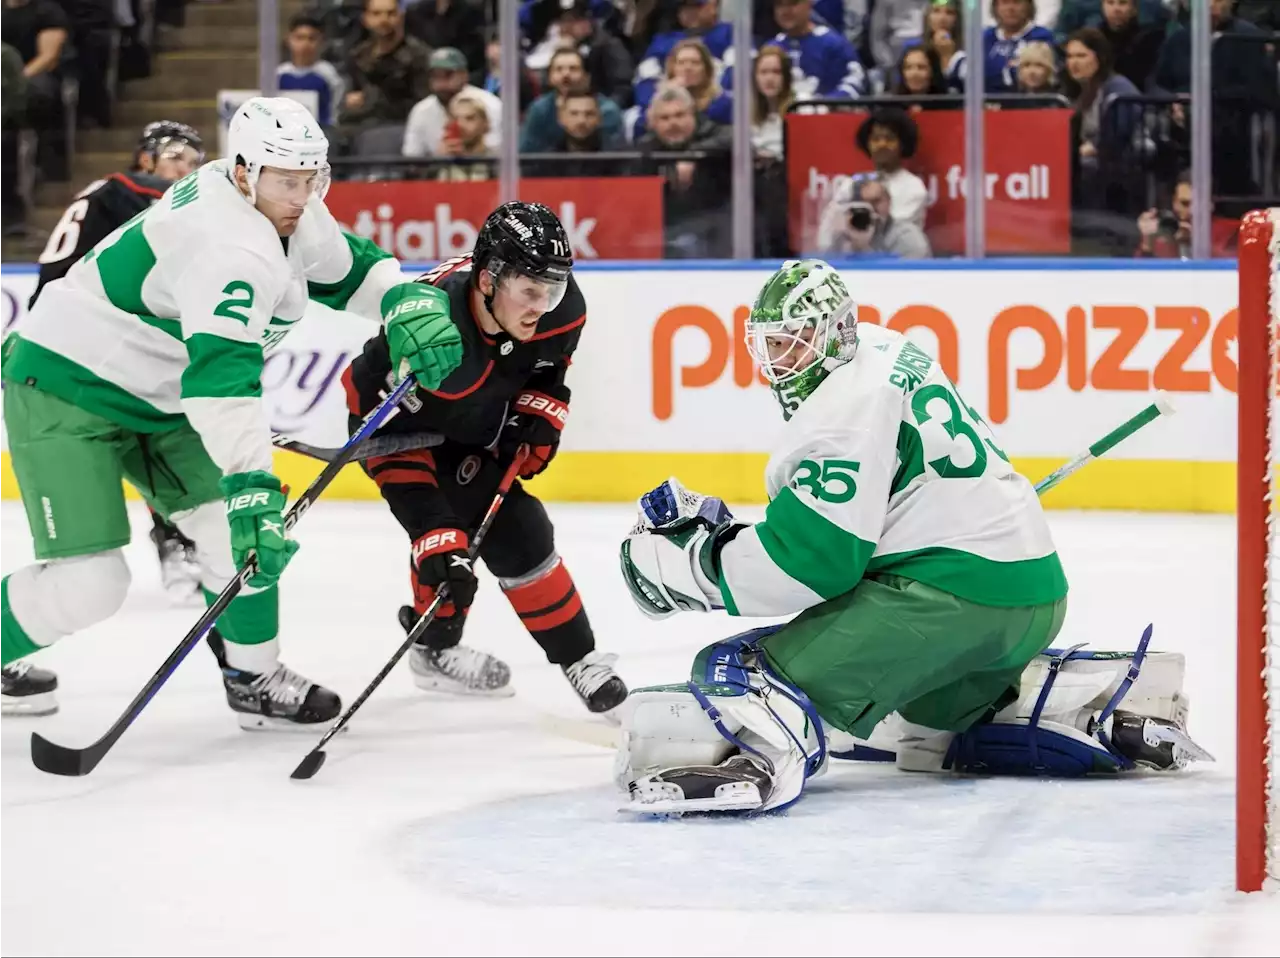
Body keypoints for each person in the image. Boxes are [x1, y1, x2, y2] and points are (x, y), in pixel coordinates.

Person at [614, 259, 1211, 813]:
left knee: (741, 666)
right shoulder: (887, 347)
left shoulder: (839, 411)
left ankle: (760, 762)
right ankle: (1073, 711)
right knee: (929, 709)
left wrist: (697, 563)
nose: (778, 361)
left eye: (792, 342)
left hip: (946, 601)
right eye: (769, 344)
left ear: (835, 333)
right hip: (1034, 597)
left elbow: (813, 565)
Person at [0, 96, 464, 730]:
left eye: (312, 178)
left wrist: (405, 299)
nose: (301, 195)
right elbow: (222, 379)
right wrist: (250, 481)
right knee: (93, 582)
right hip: (67, 383)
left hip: (158, 394)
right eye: (287, 180)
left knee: (231, 540)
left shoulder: (274, 199)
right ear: (244, 171)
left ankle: (254, 677)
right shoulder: (228, 247)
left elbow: (346, 268)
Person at [340, 201, 629, 716]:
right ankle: (435, 649)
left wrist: (541, 413)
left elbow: (548, 370)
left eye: (553, 289)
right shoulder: (431, 321)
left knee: (522, 531)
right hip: (401, 431)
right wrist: (431, 529)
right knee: (444, 550)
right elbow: (366, 399)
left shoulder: (561, 311)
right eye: (530, 290)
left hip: (475, 428)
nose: (543, 305)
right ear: (490, 278)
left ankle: (581, 660)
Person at [0, 120, 205, 717]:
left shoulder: (144, 203)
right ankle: (174, 539)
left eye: (194, 157)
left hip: (103, 355)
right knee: (87, 559)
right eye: (172, 155)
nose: (183, 168)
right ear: (143, 157)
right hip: (84, 362)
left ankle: (178, 540)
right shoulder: (126, 194)